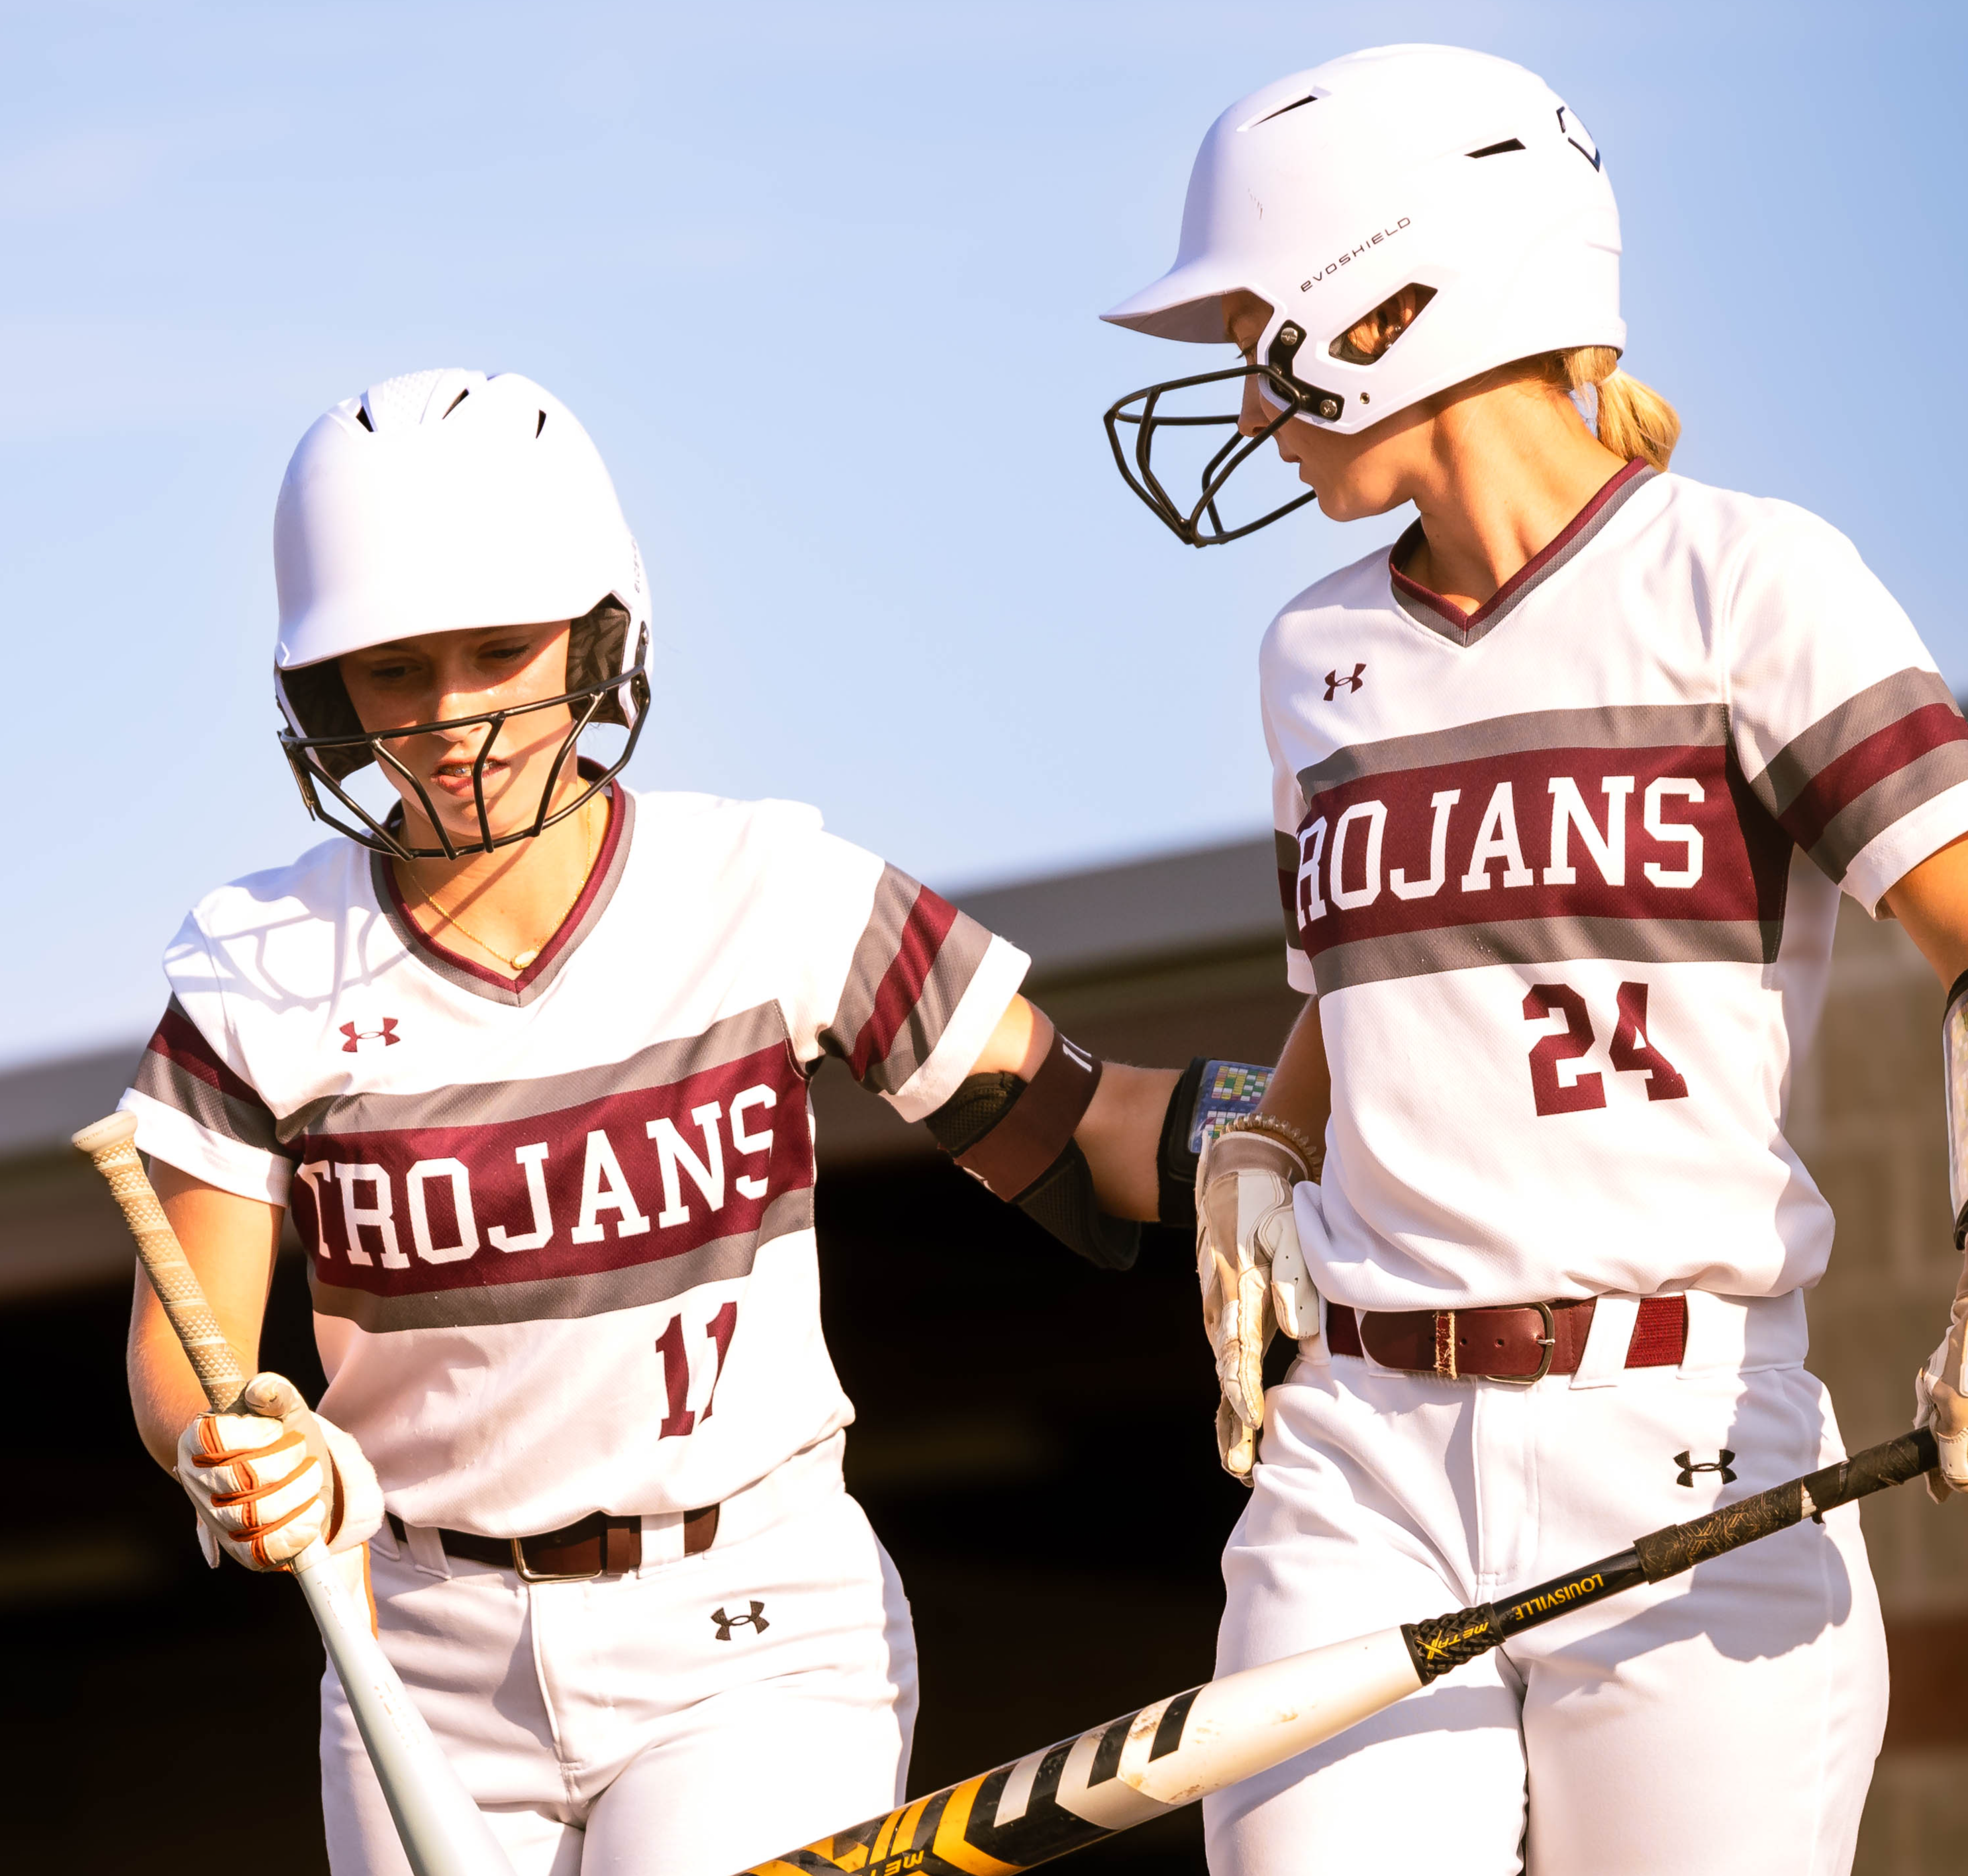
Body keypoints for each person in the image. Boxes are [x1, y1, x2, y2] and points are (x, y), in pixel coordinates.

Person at [120, 366, 1203, 1875]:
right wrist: (234, 1441)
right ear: (323, 690)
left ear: (601, 633)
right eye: (391, 673)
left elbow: (1080, 1134)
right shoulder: (256, 966)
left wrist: (1285, 1144)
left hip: (748, 1636)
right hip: (413, 1650)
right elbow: (188, 1345)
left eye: (501, 651)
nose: (452, 721)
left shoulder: (774, 890)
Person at [1100, 44, 1968, 1876]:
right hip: (1357, 1458)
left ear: (1401, 300)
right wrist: (1268, 1133)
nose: (1245, 403)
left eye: (1260, 328)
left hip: (1682, 1443)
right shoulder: (1308, 652)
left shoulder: (1744, 582)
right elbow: (1386, 976)